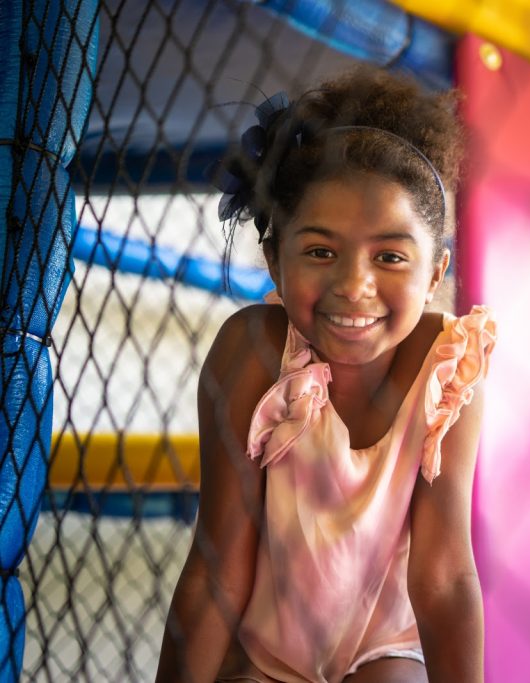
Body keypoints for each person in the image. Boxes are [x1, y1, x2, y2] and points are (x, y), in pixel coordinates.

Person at [156, 65, 495, 683]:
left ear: (436, 269)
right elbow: (218, 567)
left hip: (384, 646)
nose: (353, 285)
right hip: (264, 649)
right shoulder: (253, 350)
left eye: (390, 256)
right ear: (274, 261)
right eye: (320, 251)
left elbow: (443, 575)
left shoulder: (446, 366)